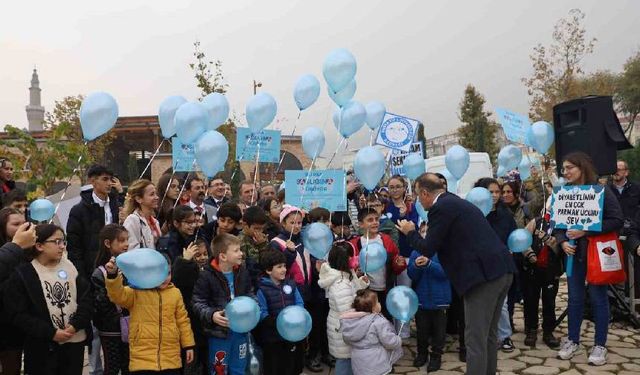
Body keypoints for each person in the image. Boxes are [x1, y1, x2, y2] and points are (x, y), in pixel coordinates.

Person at [396, 173, 515, 375]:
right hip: (501, 270)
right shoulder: (454, 202)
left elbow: (428, 247)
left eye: (417, 195)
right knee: (488, 335)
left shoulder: (440, 208)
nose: (417, 200)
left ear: (425, 193)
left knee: (475, 339)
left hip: (482, 278)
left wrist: (410, 231)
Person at [554, 152, 623, 366]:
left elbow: (616, 220)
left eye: (569, 168)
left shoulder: (602, 191)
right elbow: (558, 224)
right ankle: (572, 340)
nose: (565, 172)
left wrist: (586, 232)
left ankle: (599, 345)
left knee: (598, 298)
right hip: (573, 256)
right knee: (574, 298)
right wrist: (562, 241)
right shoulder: (563, 192)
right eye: (563, 169)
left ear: (581, 168)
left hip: (595, 255)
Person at [4, 224, 93, 375]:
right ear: (39, 245)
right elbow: (19, 314)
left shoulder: (70, 266)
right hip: (42, 348)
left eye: (63, 241)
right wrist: (51, 333)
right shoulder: (24, 273)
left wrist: (75, 325)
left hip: (74, 343)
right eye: (56, 242)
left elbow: (86, 299)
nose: (62, 246)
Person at [105, 254, 195, 374]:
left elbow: (183, 321)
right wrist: (112, 276)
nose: (165, 278)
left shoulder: (175, 293)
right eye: (159, 273)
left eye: (168, 273)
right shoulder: (136, 292)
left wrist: (188, 345)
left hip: (170, 358)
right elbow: (117, 295)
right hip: (142, 359)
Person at [191, 233, 253, 375]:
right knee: (219, 369)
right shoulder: (206, 275)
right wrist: (212, 315)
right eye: (236, 250)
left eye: (240, 250)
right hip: (219, 334)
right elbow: (197, 302)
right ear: (223, 256)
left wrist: (252, 308)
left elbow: (250, 293)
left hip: (240, 331)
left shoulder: (242, 272)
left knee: (239, 368)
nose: (241, 254)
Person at [318, 244, 369, 375]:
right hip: (343, 328)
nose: (355, 258)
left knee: (348, 360)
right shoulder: (340, 284)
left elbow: (354, 289)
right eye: (351, 256)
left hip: (342, 326)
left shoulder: (345, 275)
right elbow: (348, 309)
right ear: (344, 260)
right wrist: (367, 307)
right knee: (344, 360)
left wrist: (362, 283)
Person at [255, 250, 306, 375]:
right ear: (268, 270)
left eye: (284, 266)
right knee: (275, 366)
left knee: (293, 364)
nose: (284, 269)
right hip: (273, 338)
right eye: (279, 267)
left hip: (292, 334)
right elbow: (262, 311)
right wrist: (276, 322)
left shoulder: (291, 284)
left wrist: (297, 316)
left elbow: (299, 303)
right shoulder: (262, 289)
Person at [349, 207, 406, 320]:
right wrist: (356, 272)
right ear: (360, 224)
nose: (375, 222)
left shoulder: (386, 240)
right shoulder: (354, 244)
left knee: (386, 321)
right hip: (365, 292)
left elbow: (395, 262)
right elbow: (350, 268)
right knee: (367, 321)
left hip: (385, 290)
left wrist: (399, 264)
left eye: (376, 219)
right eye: (370, 220)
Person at [67, 164, 120, 279]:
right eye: (105, 179)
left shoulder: (115, 205)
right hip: (91, 268)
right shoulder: (79, 210)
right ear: (93, 181)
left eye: (111, 179)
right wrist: (81, 276)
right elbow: (74, 246)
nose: (109, 183)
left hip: (115, 265)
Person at [0, 209, 36, 375]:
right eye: (15, 224)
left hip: (17, 325)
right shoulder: (7, 253)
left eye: (24, 224)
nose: (21, 228)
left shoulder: (29, 253)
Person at [92, 224, 130, 375]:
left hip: (130, 325)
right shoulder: (100, 273)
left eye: (127, 240)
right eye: (121, 240)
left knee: (130, 366)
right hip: (111, 330)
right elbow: (101, 304)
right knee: (112, 367)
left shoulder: (129, 267)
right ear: (107, 243)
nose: (126, 244)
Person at [521, 211, 562, 349]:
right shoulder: (536, 222)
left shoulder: (562, 224)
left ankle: (548, 331)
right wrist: (529, 253)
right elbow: (522, 238)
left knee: (549, 301)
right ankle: (531, 329)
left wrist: (552, 243)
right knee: (531, 300)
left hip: (551, 269)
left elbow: (562, 248)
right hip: (534, 267)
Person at [383, 175, 418, 337]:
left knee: (404, 293)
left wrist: (405, 216)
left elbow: (414, 228)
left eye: (398, 186)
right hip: (389, 257)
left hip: (407, 255)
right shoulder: (385, 208)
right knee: (391, 293)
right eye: (391, 187)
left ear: (404, 188)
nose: (395, 190)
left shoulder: (412, 207)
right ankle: (392, 329)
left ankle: (403, 331)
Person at [340, 289, 403, 375]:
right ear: (373, 309)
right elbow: (388, 341)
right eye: (377, 302)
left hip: (358, 363)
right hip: (376, 364)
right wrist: (398, 340)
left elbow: (347, 340)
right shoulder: (378, 322)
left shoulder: (350, 321)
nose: (379, 303)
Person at [407, 249, 451, 372]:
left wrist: (429, 264)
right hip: (421, 299)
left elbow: (447, 272)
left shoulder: (445, 250)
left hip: (440, 299)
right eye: (423, 231)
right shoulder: (415, 252)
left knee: (439, 332)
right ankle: (422, 354)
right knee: (422, 330)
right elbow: (412, 275)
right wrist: (416, 265)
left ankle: (436, 357)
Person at [171, 239, 210, 375]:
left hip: (206, 326)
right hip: (189, 326)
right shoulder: (184, 271)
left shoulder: (210, 271)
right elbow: (176, 281)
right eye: (198, 255)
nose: (203, 258)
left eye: (205, 254)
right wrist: (185, 261)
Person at [122, 179, 161, 250]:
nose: (157, 197)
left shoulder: (155, 222)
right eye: (152, 194)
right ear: (139, 199)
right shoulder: (132, 220)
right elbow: (131, 249)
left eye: (156, 194)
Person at [238, 206, 270, 289]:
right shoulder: (240, 241)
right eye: (256, 228)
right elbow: (242, 267)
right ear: (245, 225)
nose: (259, 232)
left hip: (263, 280)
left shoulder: (263, 239)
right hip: (250, 283)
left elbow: (268, 261)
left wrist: (262, 245)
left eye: (261, 229)